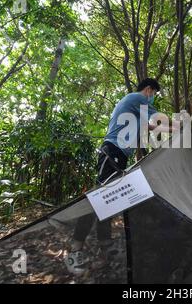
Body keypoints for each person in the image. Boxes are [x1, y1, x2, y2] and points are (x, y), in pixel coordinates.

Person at [66, 78, 173, 275]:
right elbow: (159, 118)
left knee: (108, 201)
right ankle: (75, 250)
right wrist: (182, 125)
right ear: (148, 90)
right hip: (112, 152)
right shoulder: (136, 98)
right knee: (97, 199)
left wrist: (176, 131)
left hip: (118, 156)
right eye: (154, 94)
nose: (153, 98)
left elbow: (152, 126)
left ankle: (104, 252)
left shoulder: (136, 109)